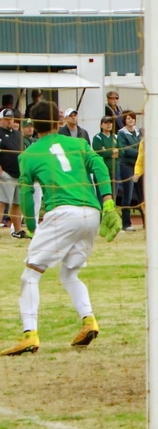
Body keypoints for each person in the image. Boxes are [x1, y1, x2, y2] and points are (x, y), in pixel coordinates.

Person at [1, 101, 120, 356]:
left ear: (31, 125)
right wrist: (108, 201)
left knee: (30, 275)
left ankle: (29, 335)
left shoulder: (29, 154)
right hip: (91, 213)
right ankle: (89, 320)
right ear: (58, 123)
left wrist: (31, 227)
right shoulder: (77, 144)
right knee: (69, 274)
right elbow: (98, 165)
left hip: (63, 213)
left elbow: (25, 193)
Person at [0, 108, 26, 238]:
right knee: (2, 202)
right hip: (5, 173)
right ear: (1, 120)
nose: (10, 121)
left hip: (18, 173)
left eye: (11, 118)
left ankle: (17, 230)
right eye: (7, 119)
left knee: (17, 203)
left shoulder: (17, 134)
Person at [116, 111, 141, 232]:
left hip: (139, 165)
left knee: (142, 194)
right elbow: (125, 150)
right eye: (128, 118)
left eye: (133, 118)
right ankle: (126, 223)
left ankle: (147, 222)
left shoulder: (138, 132)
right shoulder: (121, 133)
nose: (131, 120)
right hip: (127, 165)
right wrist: (140, 153)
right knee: (128, 195)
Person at [91, 116, 119, 197]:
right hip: (102, 169)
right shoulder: (98, 138)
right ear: (101, 125)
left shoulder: (115, 137)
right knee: (102, 194)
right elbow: (99, 152)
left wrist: (107, 150)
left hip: (114, 170)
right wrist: (113, 150)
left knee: (113, 195)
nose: (108, 125)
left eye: (110, 123)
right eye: (106, 123)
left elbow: (121, 152)